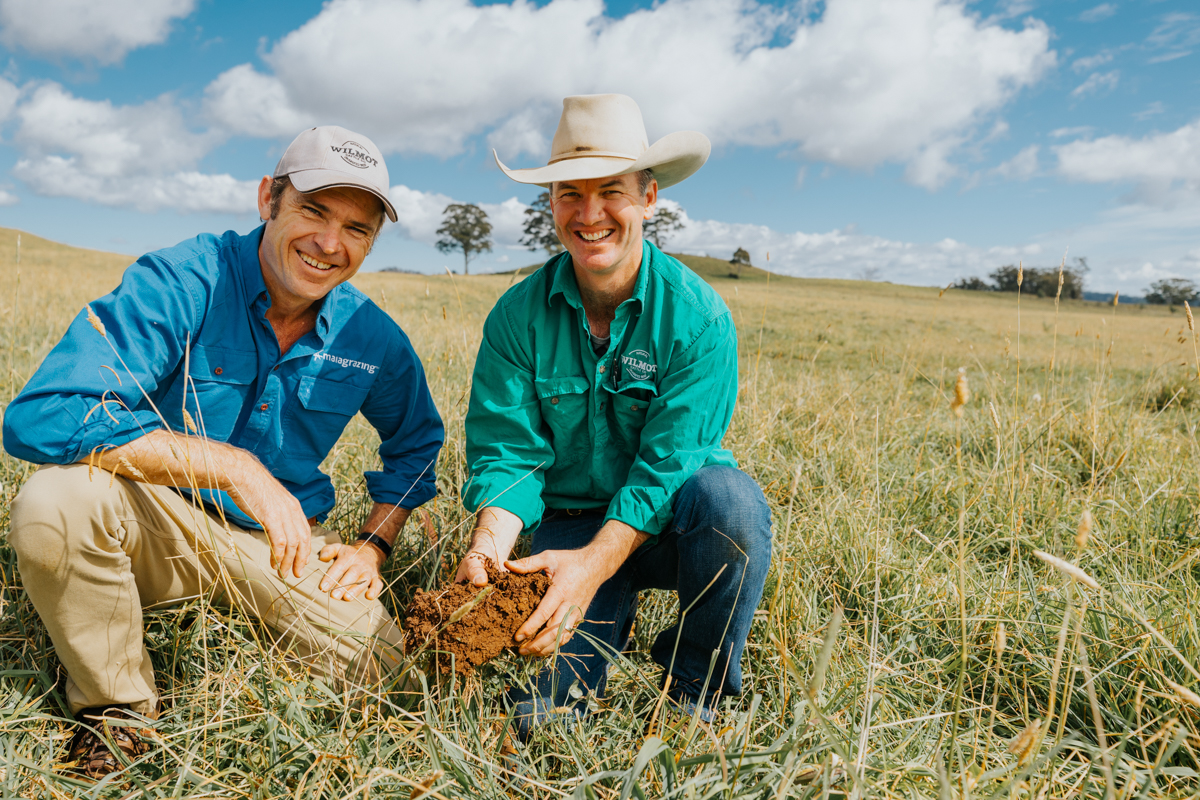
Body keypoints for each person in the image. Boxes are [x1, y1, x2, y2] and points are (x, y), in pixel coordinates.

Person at [2, 126, 444, 779]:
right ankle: (117, 714)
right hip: (154, 524)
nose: (329, 243)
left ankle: (264, 645)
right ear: (269, 198)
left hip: (286, 549)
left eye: (357, 229)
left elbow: (418, 444)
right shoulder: (182, 280)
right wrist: (230, 465)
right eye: (314, 211)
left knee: (396, 682)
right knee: (55, 503)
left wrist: (373, 545)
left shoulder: (369, 335)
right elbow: (42, 415)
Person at [456, 94, 772, 740]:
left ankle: (692, 692)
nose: (590, 213)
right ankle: (595, 630)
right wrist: (488, 550)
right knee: (540, 723)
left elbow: (667, 468)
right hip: (567, 529)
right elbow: (507, 455)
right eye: (570, 193)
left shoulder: (698, 318)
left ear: (649, 198)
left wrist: (598, 563)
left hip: (671, 529)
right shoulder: (516, 319)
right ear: (551, 204)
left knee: (733, 508)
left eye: (612, 192)